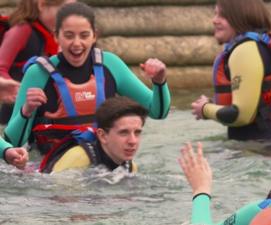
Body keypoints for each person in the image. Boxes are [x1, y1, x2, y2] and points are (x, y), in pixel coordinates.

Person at [3, 2, 170, 156]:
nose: (77, 43)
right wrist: (27, 110)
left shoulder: (111, 65)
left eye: (84, 35)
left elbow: (158, 112)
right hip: (53, 174)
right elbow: (13, 142)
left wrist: (160, 82)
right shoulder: (38, 73)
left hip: (107, 171)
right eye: (69, 35)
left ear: (94, 36)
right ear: (56, 36)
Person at [191, 0, 271, 141]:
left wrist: (205, 109)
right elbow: (257, 102)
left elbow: (241, 115)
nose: (214, 20)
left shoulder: (245, 50)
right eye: (215, 14)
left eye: (222, 15)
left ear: (240, 17)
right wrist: (213, 104)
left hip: (261, 148)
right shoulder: (261, 44)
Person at [0, 0, 76, 124]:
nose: (71, 18)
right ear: (42, 5)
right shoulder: (22, 30)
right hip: (16, 113)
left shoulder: (51, 35)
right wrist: (13, 87)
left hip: (40, 112)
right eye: (66, 11)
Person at [39, 96, 147, 173]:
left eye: (137, 133)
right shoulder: (78, 159)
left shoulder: (131, 167)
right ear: (102, 136)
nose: (133, 141)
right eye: (123, 133)